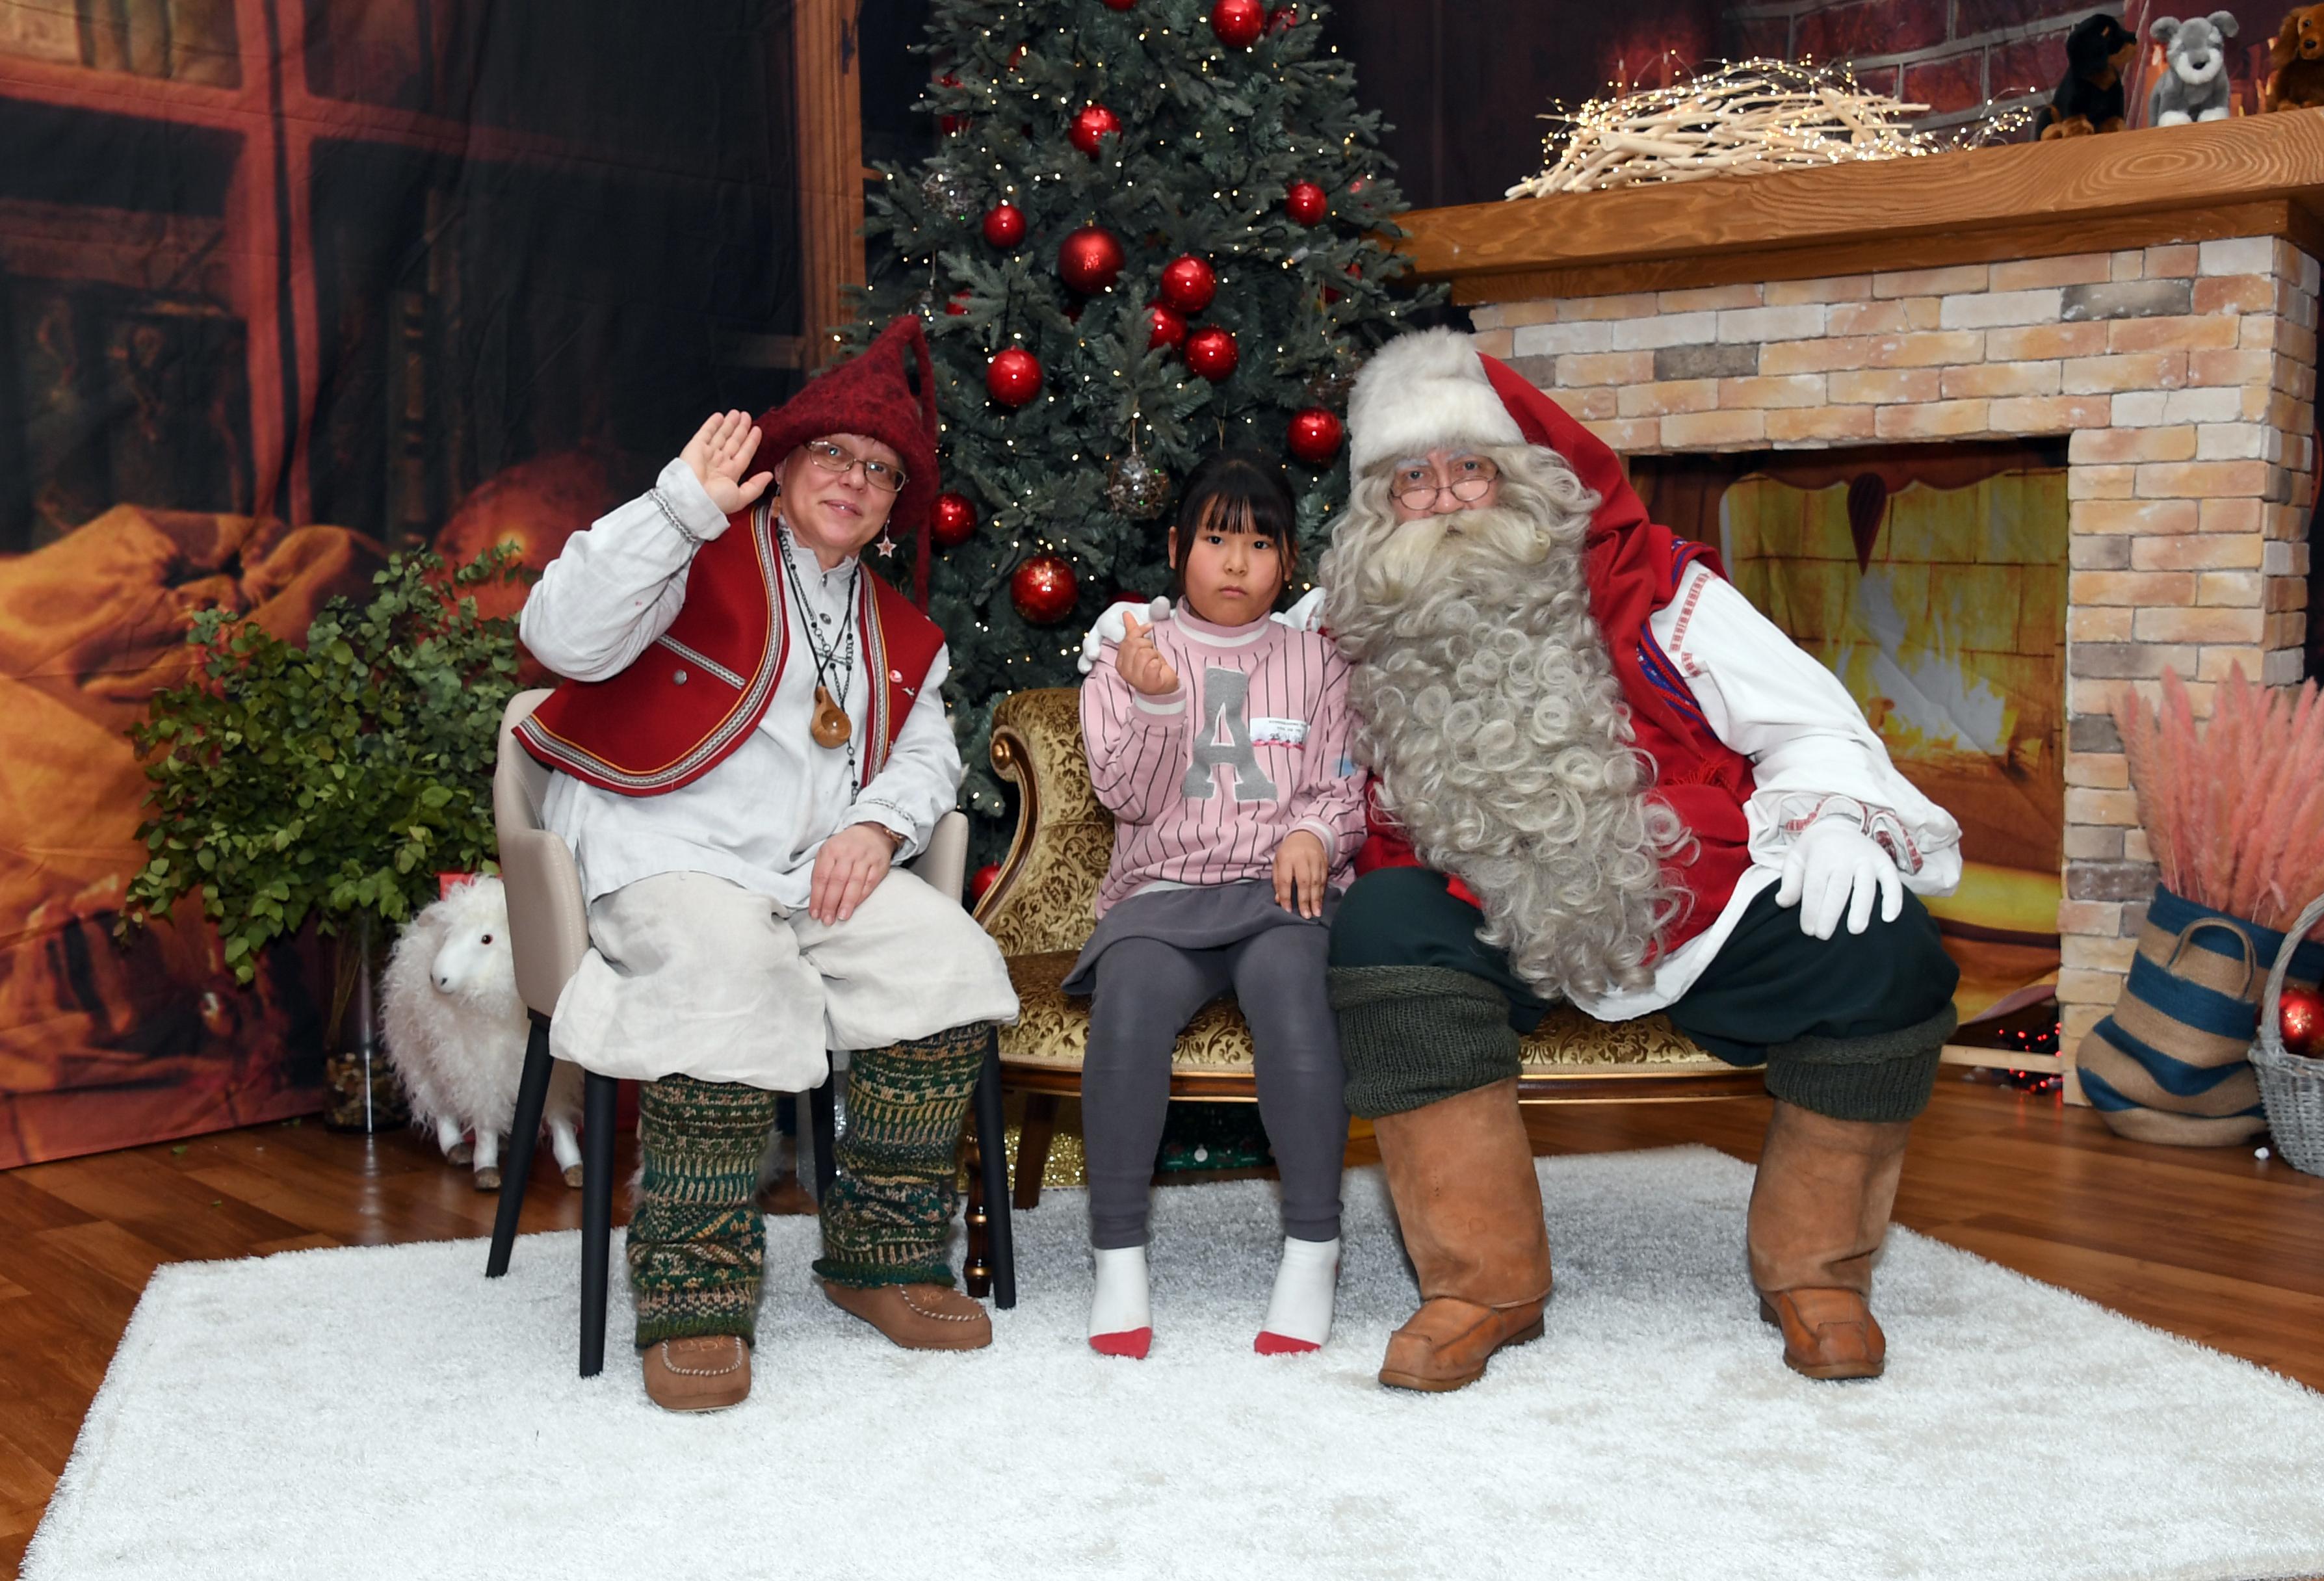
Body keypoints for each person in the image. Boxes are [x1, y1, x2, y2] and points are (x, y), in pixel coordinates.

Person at [1078, 329, 1962, 1391]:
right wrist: (1123, 638)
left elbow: (1807, 718)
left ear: (1525, 480)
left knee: (1884, 950)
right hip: (1480, 909)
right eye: (1414, 478)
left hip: (1678, 891)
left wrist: (1831, 820)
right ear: (1378, 509)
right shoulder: (1355, 614)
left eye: (1471, 469)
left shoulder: (1656, 589)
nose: (1446, 498)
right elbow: (1219, 629)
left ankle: (1819, 1275)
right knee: (1384, 931)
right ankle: (1478, 1281)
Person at [516, 318, 1018, 1412]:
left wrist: (878, 825)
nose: (855, 479)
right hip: (665, 848)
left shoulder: (900, 627)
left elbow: (929, 751)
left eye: (881, 471)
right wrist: (677, 504)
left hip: (810, 874)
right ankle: (693, 1294)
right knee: (726, 977)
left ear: (894, 509)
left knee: (947, 964)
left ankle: (879, 1258)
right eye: (834, 454)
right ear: (784, 465)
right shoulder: (688, 547)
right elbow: (558, 637)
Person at [1067, 452, 1365, 1359]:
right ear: (1177, 547)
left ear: (1289, 563)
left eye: (1260, 544)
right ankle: (1118, 1257)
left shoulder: (1316, 663)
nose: (1236, 563)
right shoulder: (1129, 654)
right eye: (1215, 539)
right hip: (1161, 895)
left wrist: (1314, 833)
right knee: (1128, 1011)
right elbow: (1127, 799)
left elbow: (1339, 785)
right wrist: (1158, 705)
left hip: (1277, 893)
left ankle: (1313, 1246)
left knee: (1292, 995)